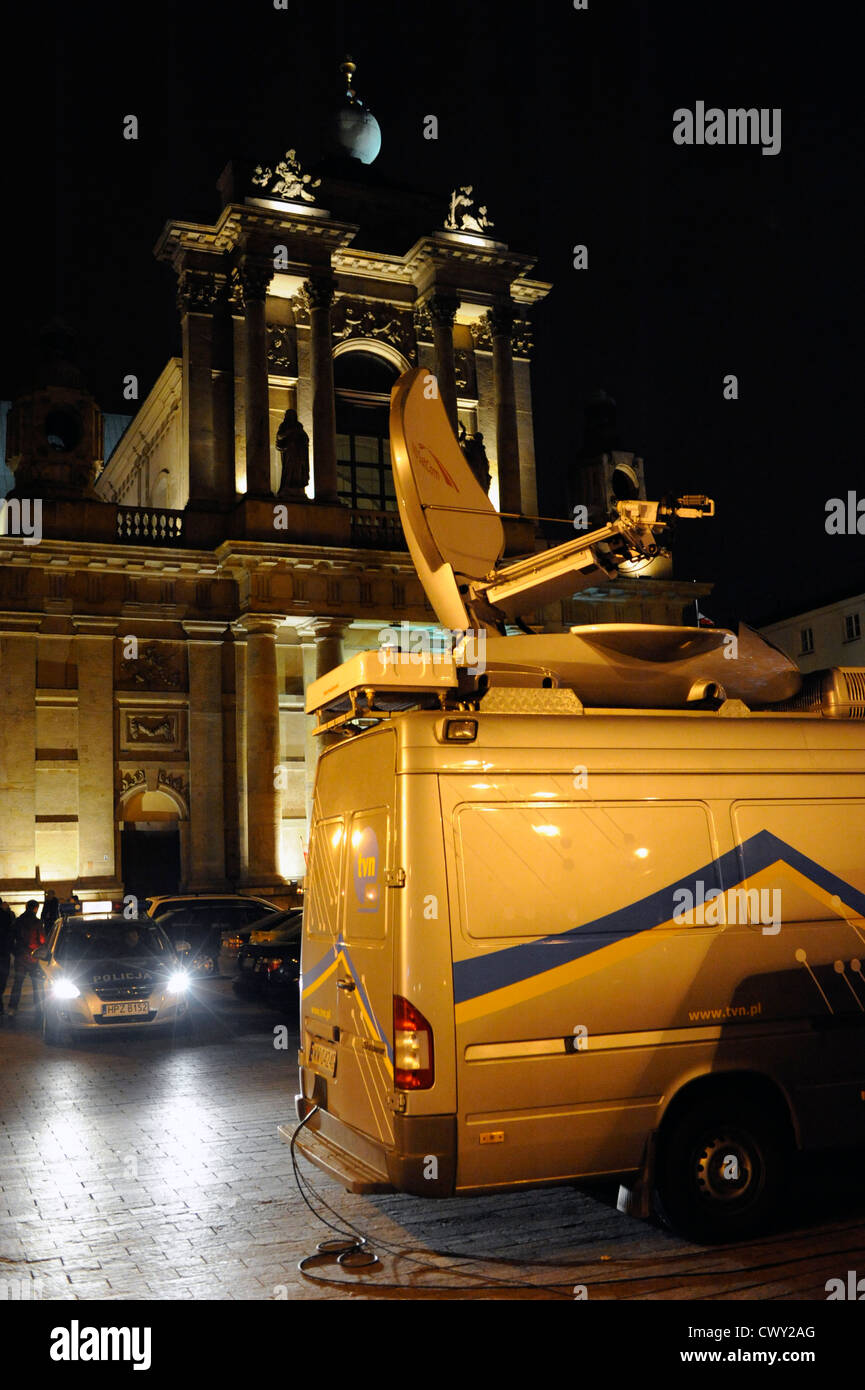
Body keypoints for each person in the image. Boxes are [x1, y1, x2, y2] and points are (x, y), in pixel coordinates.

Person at [7, 900, 45, 1019]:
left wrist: (16, 952)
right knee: (36, 985)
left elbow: (10, 939)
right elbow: (42, 940)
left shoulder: (18, 921)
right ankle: (39, 1009)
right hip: (34, 957)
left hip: (21, 956)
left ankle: (12, 1008)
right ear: (35, 909)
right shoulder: (37, 922)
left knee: (17, 984)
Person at [0, 897, 16, 1018]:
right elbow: (11, 934)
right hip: (4, 953)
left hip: (4, 952)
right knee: (2, 980)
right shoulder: (6, 916)